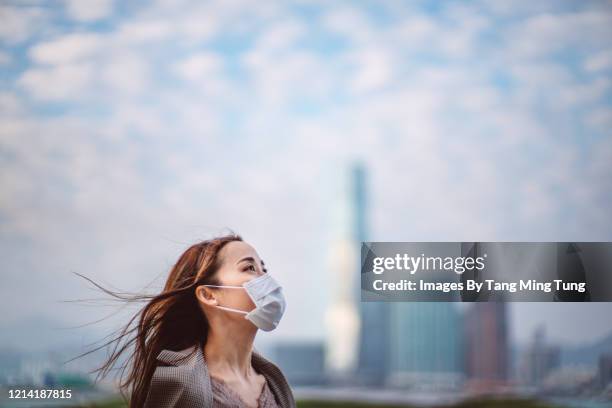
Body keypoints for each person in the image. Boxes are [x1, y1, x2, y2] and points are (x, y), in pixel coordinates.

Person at [79, 233, 295, 408]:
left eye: (264, 269)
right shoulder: (181, 387)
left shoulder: (273, 382)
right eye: (250, 268)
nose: (266, 279)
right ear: (209, 295)